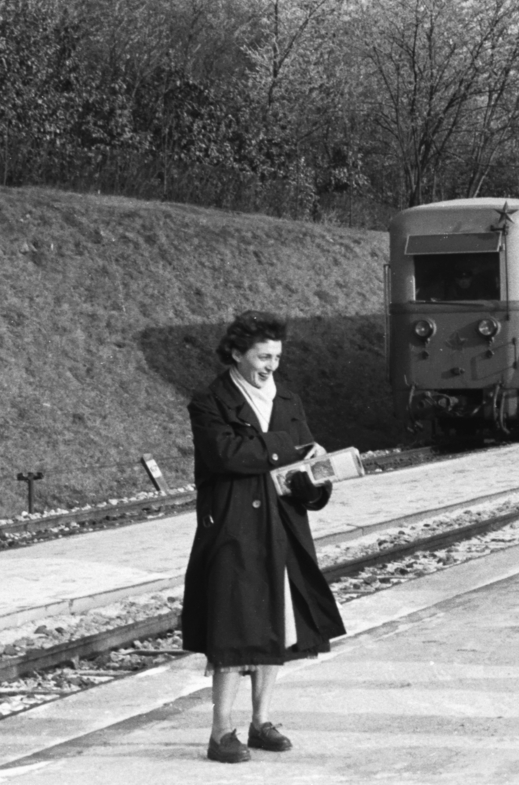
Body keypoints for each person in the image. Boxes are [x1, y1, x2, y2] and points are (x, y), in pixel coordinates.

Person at [182, 311, 346, 763]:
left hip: (284, 524)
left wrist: (318, 474)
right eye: (262, 356)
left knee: (279, 624)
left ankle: (260, 722)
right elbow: (225, 455)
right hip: (234, 527)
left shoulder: (288, 397)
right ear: (236, 354)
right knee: (233, 630)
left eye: (276, 356)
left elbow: (305, 463)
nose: (270, 365)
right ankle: (221, 733)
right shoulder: (210, 400)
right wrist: (287, 447)